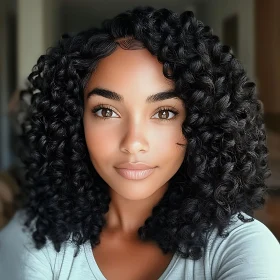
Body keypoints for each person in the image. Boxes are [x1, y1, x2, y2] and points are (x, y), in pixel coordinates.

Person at [0, 6, 279, 280]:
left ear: (203, 122)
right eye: (106, 111)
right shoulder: (33, 239)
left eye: (164, 113)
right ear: (74, 120)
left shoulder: (242, 247)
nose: (133, 143)